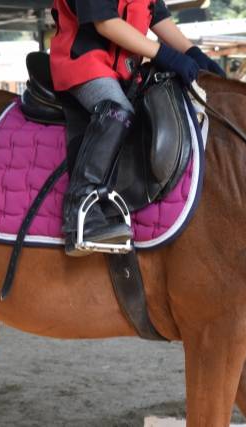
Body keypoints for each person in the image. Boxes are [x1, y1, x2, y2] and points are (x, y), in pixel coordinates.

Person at [50, 0, 225, 256]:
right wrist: (165, 55)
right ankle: (80, 209)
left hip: (124, 72)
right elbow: (105, 23)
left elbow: (157, 16)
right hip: (84, 65)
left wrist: (193, 54)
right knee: (118, 111)